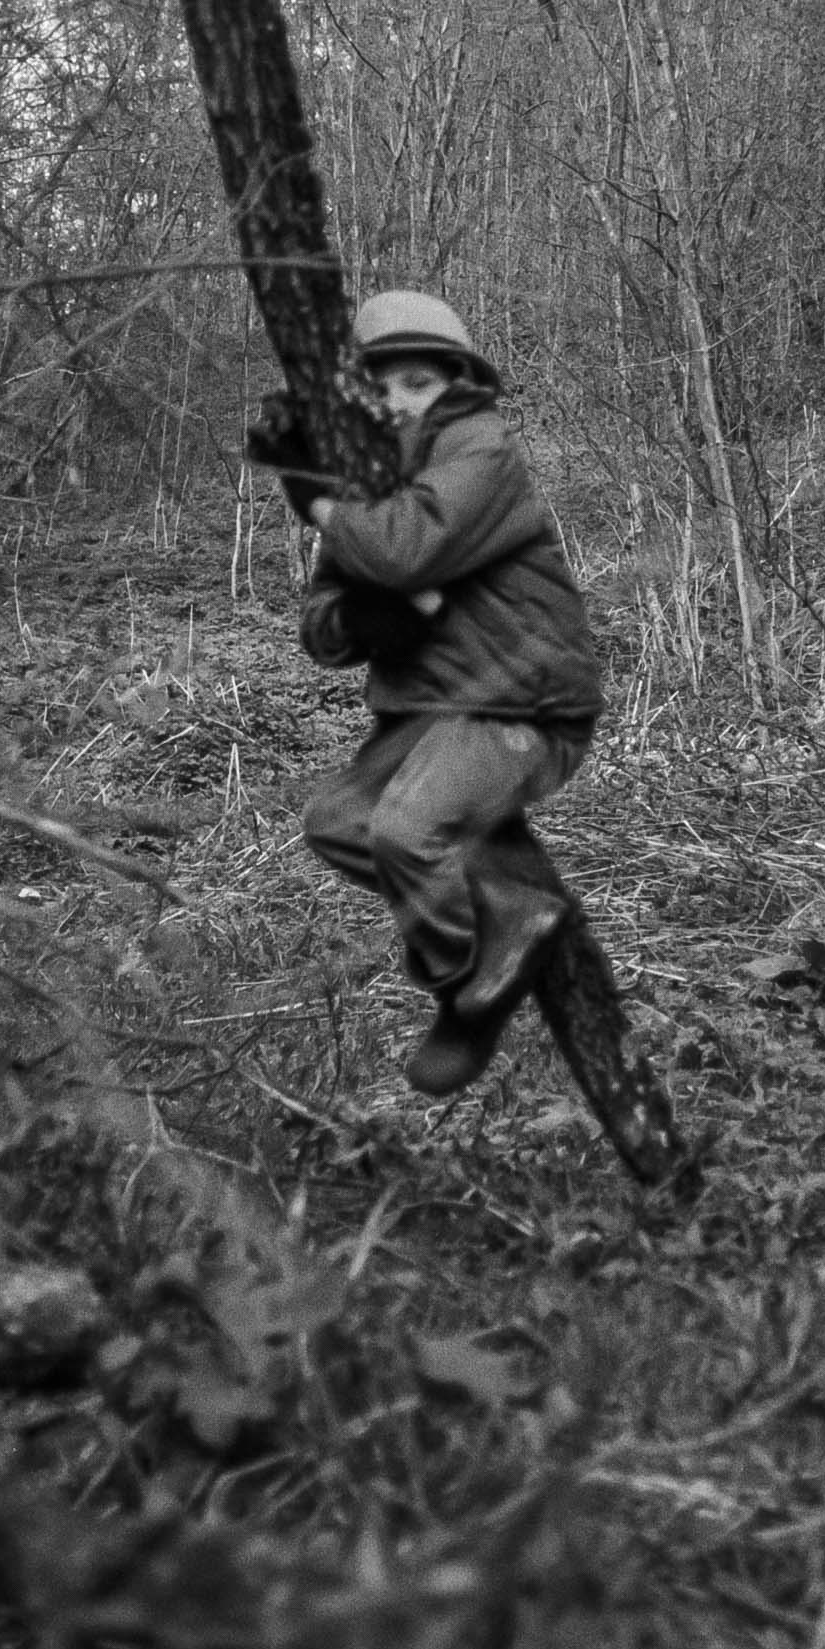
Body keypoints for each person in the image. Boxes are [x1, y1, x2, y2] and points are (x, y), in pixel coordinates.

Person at [285, 290, 603, 1096]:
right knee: (338, 824)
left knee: (405, 829)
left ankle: (468, 987)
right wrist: (359, 619)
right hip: (428, 710)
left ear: (454, 385)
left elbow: (403, 550)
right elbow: (323, 619)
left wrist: (320, 503)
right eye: (380, 387)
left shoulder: (481, 447)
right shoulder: (368, 486)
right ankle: (516, 919)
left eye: (417, 382)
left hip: (519, 704)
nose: (398, 401)